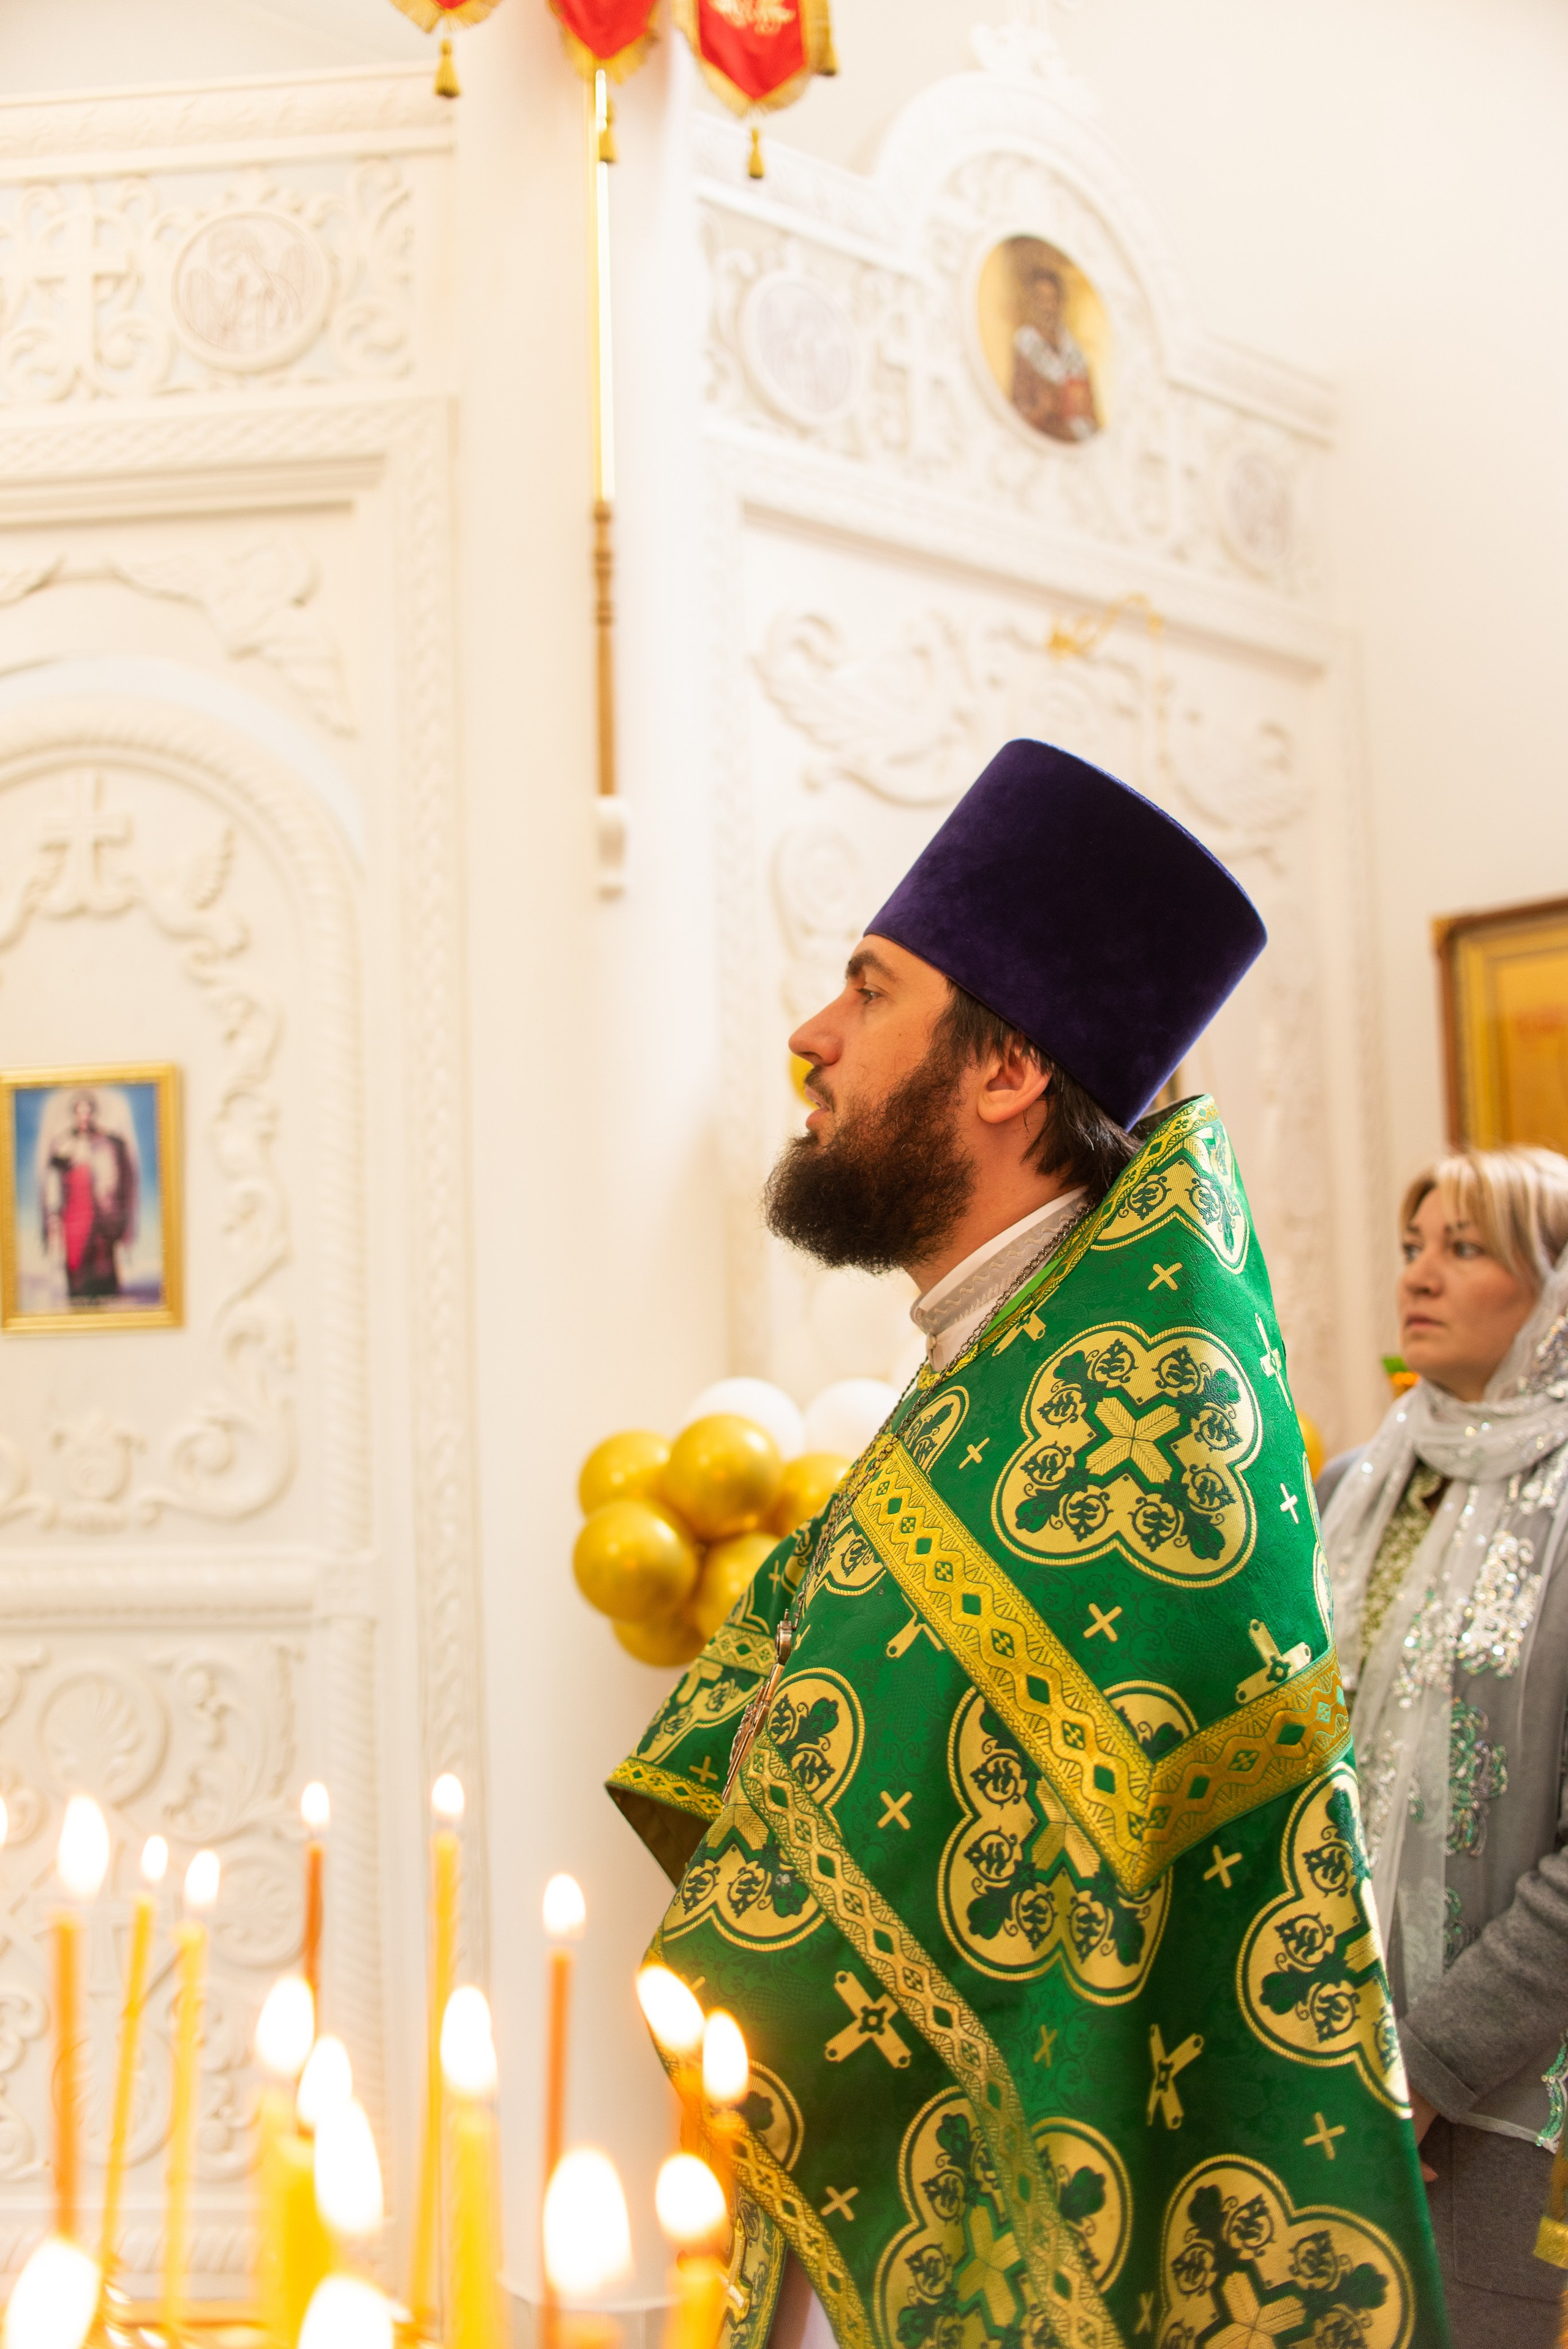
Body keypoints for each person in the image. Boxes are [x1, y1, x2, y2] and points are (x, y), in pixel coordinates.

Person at [609, 740, 1447, 2349]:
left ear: (1002, 1070)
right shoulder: (992, 1376)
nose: (812, 1037)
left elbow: (1068, 1918)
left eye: (867, 990)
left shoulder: (1138, 1432)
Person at [1322, 1145, 1568, 2344]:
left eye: (1462, 1248)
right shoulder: (1349, 1487)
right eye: (1412, 1244)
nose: (1416, 1274)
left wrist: (1424, 2066)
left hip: (1508, 2105)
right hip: (1329, 2080)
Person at [40, 1089, 137, 1303]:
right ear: (74, 1114)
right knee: (77, 1261)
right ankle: (79, 1301)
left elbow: (119, 1178)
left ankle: (105, 1300)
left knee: (102, 1259)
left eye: (89, 1111)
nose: (85, 1116)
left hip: (101, 1212)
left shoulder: (108, 1142)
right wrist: (54, 1213)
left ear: (94, 1113)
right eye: (80, 1112)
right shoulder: (63, 1142)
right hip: (74, 1214)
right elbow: (54, 1180)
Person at [1010, 257, 1098, 444]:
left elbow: (1091, 413)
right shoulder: (1026, 345)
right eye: (1041, 299)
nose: (1047, 308)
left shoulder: (1074, 352)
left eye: (1052, 299)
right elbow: (1017, 409)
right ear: (1032, 303)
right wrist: (1043, 409)